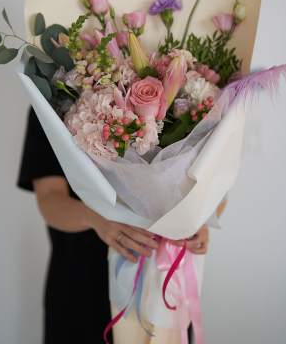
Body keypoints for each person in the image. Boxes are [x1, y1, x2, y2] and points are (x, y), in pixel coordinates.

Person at [17, 107, 225, 344]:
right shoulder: (52, 104)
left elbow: (215, 188)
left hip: (164, 281)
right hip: (82, 279)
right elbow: (49, 198)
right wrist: (97, 218)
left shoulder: (191, 102)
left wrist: (199, 220)